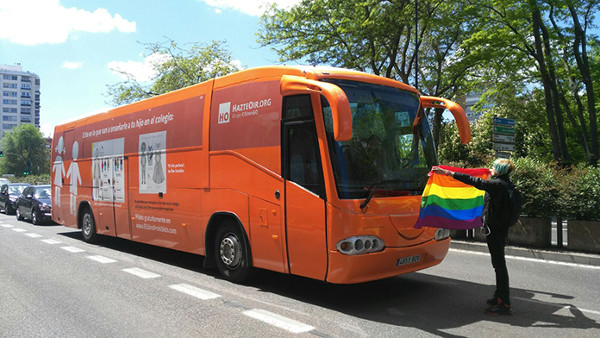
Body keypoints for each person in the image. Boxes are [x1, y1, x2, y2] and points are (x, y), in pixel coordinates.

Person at [432, 158, 516, 316]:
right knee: (498, 264)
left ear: (499, 170)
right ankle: (499, 296)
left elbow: (472, 180)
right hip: (500, 228)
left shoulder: (497, 185)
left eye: (494, 167)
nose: (491, 168)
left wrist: (448, 173)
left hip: (495, 230)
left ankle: (504, 303)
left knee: (499, 265)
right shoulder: (506, 184)